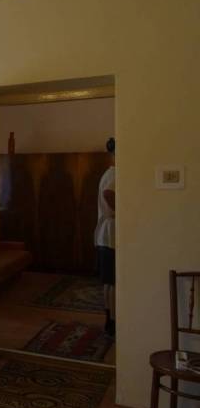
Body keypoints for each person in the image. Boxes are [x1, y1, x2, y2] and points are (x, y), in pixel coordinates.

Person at [95, 137, 116, 335]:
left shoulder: (109, 173)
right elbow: (109, 194)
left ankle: (110, 318)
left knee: (110, 282)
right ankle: (112, 320)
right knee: (112, 282)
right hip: (110, 235)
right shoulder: (114, 174)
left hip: (107, 235)